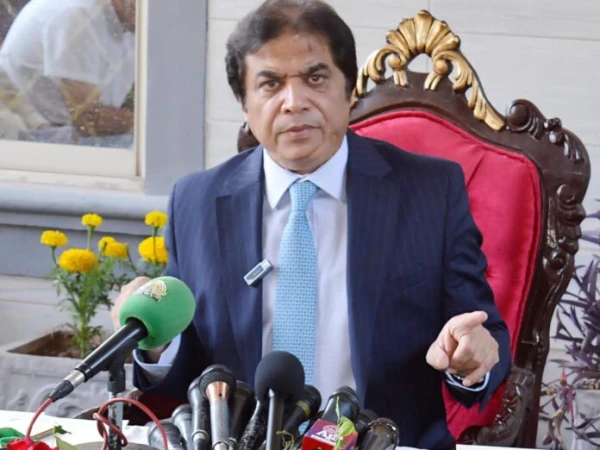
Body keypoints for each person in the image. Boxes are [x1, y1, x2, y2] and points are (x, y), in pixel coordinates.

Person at [111, 1, 511, 448]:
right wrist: (154, 342)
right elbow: (188, 371)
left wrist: (470, 356)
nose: (294, 102)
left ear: (349, 91)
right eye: (270, 84)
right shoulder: (198, 201)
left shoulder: (428, 192)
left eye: (316, 78)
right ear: (244, 103)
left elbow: (485, 336)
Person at [0, 0, 135, 138]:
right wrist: (140, 122)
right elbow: (88, 120)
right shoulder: (77, 15)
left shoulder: (135, 24)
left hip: (61, 133)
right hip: (30, 135)